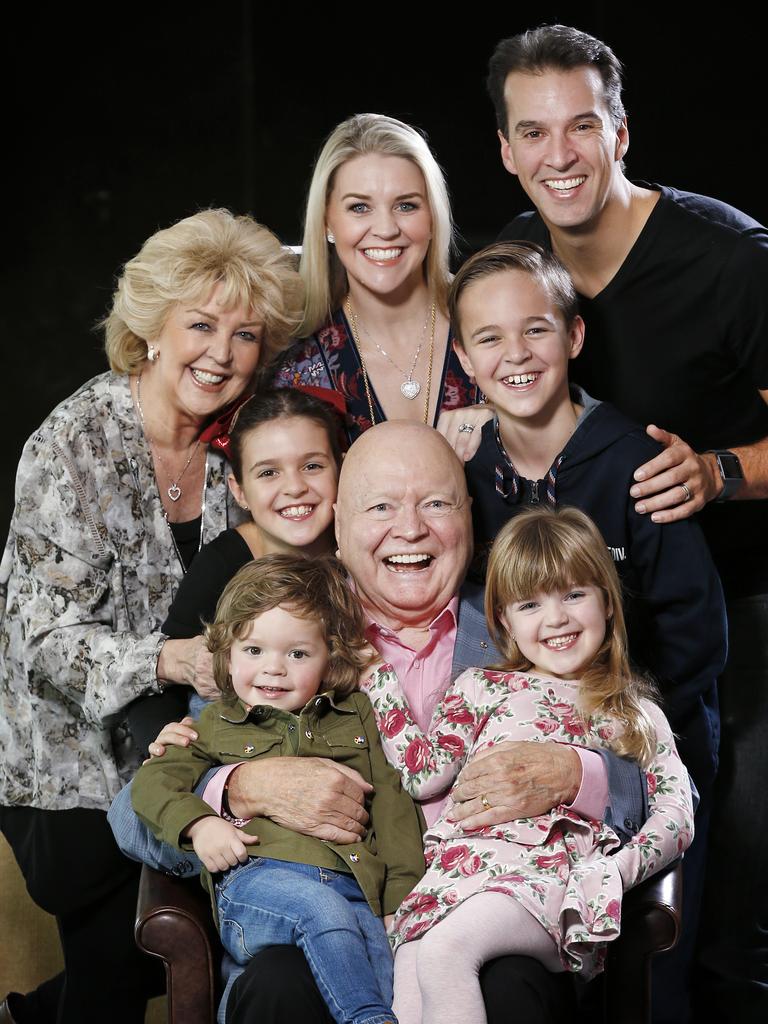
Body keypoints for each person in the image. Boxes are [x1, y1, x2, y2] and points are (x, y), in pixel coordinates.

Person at [117, 421, 649, 1024]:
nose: (411, 528)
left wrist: (576, 775)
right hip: (335, 913)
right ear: (340, 524)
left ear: (469, 516)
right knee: (280, 983)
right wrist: (237, 789)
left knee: (512, 983)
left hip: (492, 909)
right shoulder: (284, 636)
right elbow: (130, 819)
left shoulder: (528, 622)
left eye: (435, 504)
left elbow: (649, 771)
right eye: (381, 506)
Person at [487, 23, 768, 1021]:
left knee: (733, 833)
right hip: (587, 612)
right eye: (535, 133)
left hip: (739, 593)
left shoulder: (729, 261)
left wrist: (725, 471)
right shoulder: (512, 267)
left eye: (583, 127)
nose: (560, 155)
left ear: (621, 134)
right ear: (508, 151)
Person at [0, 208, 303, 1024]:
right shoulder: (73, 442)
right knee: (125, 944)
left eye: (245, 336)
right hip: (67, 758)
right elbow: (40, 641)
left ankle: (38, 1014)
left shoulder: (243, 441)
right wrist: (169, 660)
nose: (221, 354)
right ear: (151, 329)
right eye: (201, 326)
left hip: (186, 738)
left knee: (197, 932)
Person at [363, 506, 694, 1024]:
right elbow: (424, 773)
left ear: (607, 602)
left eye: (574, 594)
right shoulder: (479, 687)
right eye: (530, 604)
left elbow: (677, 816)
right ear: (504, 622)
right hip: (455, 873)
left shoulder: (631, 710)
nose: (556, 618)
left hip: (545, 879)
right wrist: (379, 680)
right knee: (408, 976)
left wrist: (612, 872)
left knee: (445, 952)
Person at [449, 240, 725, 801]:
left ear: (574, 335)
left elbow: (696, 635)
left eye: (535, 330)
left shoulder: (640, 464)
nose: (516, 354)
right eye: (490, 338)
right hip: (511, 737)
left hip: (643, 742)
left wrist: (604, 729)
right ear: (463, 356)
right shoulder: (461, 471)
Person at [132, 555, 425, 1024]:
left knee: (387, 966)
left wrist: (400, 902)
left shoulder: (356, 716)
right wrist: (200, 824)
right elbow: (150, 784)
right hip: (256, 887)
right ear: (226, 654)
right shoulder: (212, 724)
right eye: (253, 651)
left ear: (329, 659)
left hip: (356, 888)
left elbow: (392, 805)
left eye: (297, 654)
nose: (274, 669)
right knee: (320, 910)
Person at [126, 386, 344, 751]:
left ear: (342, 466)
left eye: (312, 466)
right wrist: (164, 741)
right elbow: (162, 686)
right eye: (269, 473)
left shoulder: (365, 551)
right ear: (239, 490)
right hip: (237, 745)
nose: (294, 487)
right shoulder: (225, 562)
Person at [273, 113, 490, 458]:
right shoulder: (294, 362)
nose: (386, 229)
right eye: (359, 207)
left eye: (406, 205)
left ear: (433, 216)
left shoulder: (493, 322)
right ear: (328, 222)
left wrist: (506, 422)